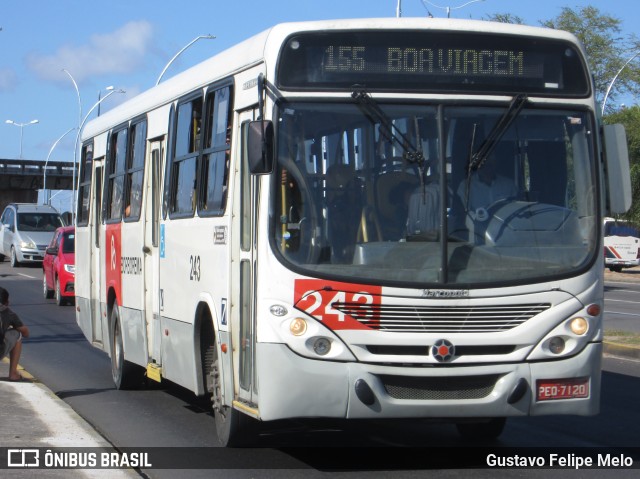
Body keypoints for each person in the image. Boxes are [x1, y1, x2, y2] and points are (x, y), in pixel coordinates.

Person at [0, 286, 30, 381]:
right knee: (17, 334)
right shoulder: (7, 312)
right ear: (7, 302)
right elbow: (25, 333)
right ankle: (13, 373)